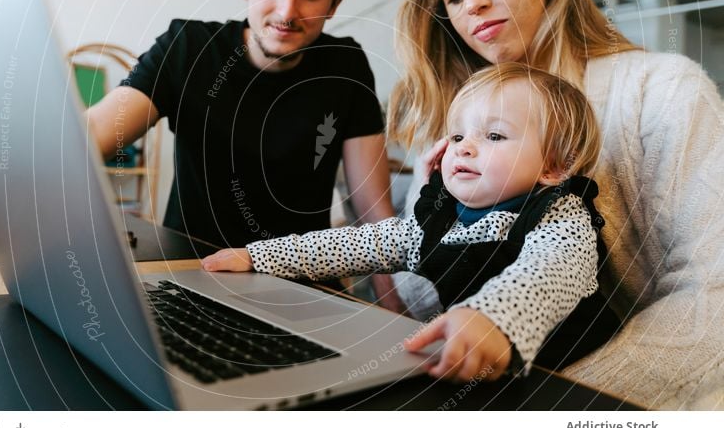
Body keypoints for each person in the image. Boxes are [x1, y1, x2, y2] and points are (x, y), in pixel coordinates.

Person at [378, 0, 724, 409]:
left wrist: (553, 409)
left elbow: (712, 300)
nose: (472, 2)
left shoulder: (665, 92)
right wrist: (432, 205)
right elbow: (426, 302)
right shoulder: (464, 126)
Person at [202, 63, 617, 381]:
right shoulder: (437, 217)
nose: (465, 149)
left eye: (493, 136)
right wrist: (260, 257)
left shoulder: (560, 215)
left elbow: (548, 272)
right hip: (471, 363)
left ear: (554, 166)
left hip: (561, 374)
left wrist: (491, 317)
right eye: (457, 137)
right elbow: (359, 245)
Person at [86, 0, 394, 249]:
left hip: (300, 284)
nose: (286, 11)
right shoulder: (188, 47)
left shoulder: (346, 67)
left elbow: (373, 213)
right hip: (193, 273)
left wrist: (390, 298)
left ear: (334, 2)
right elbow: (92, 135)